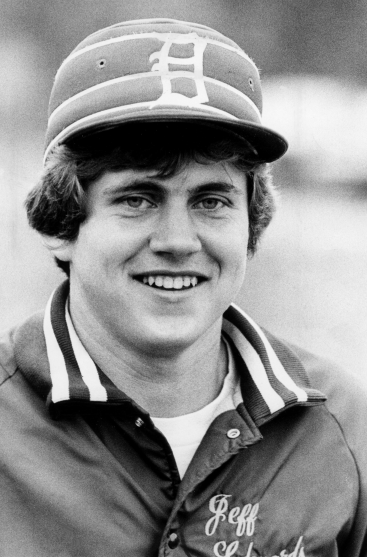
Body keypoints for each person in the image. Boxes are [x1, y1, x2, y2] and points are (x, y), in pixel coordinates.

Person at [0, 18, 366, 557]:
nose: (178, 240)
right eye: (138, 198)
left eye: (211, 201)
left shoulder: (341, 425)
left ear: (251, 228)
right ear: (62, 227)